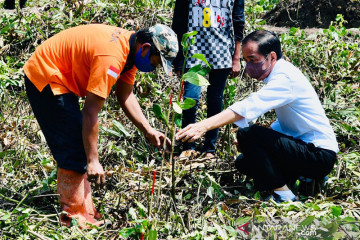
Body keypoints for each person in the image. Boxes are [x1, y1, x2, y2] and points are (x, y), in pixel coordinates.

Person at [24, 24, 178, 227]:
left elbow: (126, 95)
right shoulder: (112, 58)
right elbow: (90, 111)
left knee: (80, 140)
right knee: (74, 145)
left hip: (60, 75)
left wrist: (148, 130)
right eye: (155, 62)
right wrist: (93, 160)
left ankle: (85, 207)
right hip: (46, 74)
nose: (154, 67)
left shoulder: (130, 53)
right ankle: (72, 214)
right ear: (145, 48)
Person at [176, 30, 338, 202]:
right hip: (305, 150)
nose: (249, 66)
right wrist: (258, 143)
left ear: (272, 57)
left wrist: (203, 126)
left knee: (246, 133)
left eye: (253, 59)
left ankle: (285, 196)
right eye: (246, 60)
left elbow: (248, 106)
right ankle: (305, 181)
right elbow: (285, 123)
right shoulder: (281, 74)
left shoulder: (285, 78)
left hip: (319, 155)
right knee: (244, 161)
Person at [172, 0, 245, 159]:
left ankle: (209, 149)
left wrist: (236, 58)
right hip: (192, 52)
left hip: (222, 51)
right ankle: (188, 146)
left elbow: (238, 23)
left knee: (215, 100)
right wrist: (179, 59)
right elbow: (178, 22)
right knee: (190, 99)